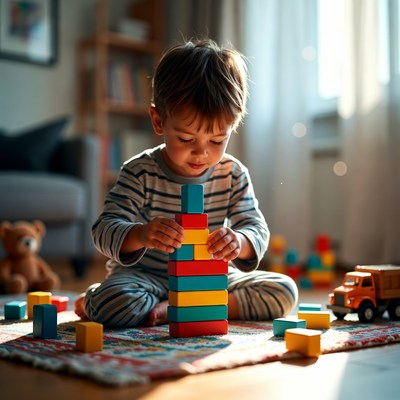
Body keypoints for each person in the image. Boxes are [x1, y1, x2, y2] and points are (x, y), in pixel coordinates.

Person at [74, 38, 298, 328]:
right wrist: (142, 235)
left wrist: (239, 241)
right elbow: (103, 229)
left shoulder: (233, 174)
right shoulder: (140, 172)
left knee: (284, 292)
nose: (201, 152)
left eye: (218, 140)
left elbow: (255, 228)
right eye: (186, 139)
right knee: (117, 304)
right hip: (147, 280)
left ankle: (180, 308)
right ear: (158, 121)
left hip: (209, 277)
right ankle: (93, 299)